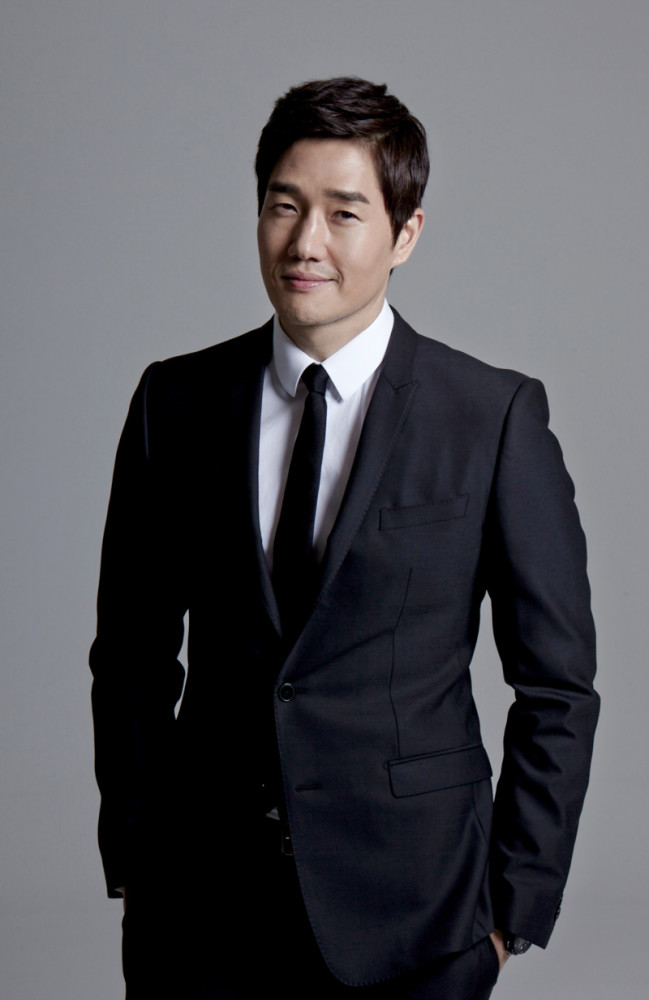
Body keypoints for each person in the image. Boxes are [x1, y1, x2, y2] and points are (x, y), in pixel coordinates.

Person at [90, 77, 599, 999]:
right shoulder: (176, 402)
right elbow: (130, 656)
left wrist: (511, 911)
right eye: (283, 206)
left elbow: (556, 684)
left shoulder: (489, 418)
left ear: (405, 233)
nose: (305, 243)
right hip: (198, 913)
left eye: (344, 212)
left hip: (418, 918)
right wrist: (134, 858)